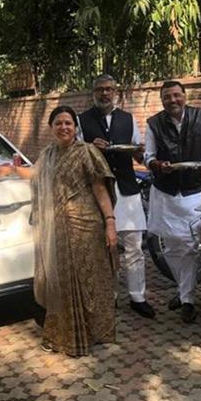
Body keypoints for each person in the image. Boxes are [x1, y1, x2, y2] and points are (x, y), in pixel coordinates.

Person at [0, 105, 118, 356]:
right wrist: (10, 169)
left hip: (85, 227)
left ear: (75, 127)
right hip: (57, 232)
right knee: (61, 282)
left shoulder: (87, 152)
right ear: (51, 128)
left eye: (68, 123)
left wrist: (110, 222)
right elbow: (35, 175)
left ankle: (95, 330)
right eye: (58, 123)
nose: (64, 127)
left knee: (90, 280)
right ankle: (66, 332)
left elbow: (100, 189)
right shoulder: (48, 154)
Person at [78, 74, 154, 319]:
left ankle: (137, 296)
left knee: (134, 247)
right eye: (100, 89)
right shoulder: (82, 121)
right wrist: (90, 147)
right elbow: (77, 156)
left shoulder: (128, 119)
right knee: (104, 248)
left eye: (109, 89)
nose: (105, 94)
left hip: (127, 190)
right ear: (93, 93)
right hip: (97, 192)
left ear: (116, 92)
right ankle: (108, 296)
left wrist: (141, 153)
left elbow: (138, 155)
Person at [144, 81, 201, 323]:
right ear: (162, 100)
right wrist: (156, 165)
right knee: (170, 248)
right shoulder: (154, 123)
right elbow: (148, 156)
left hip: (193, 191)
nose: (173, 100)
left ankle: (188, 299)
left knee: (190, 245)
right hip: (166, 192)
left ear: (184, 96)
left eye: (177, 95)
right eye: (167, 97)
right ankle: (184, 292)